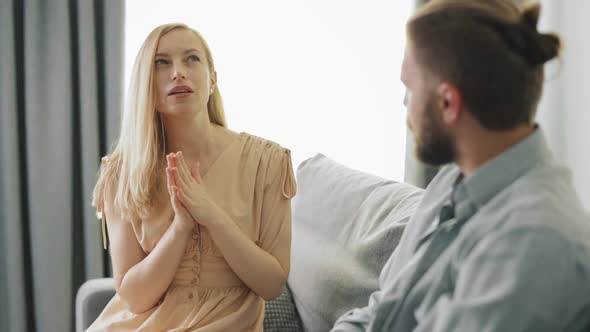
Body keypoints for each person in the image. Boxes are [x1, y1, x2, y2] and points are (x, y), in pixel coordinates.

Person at [332, 1, 590, 331]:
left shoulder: (534, 241)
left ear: (448, 103)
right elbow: (381, 311)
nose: (404, 104)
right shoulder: (453, 180)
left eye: (409, 89)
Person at [86, 23, 296, 331]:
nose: (178, 72)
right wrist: (180, 228)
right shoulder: (121, 172)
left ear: (212, 80)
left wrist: (212, 216)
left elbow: (271, 284)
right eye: (162, 62)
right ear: (146, 85)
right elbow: (134, 298)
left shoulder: (268, 162)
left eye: (192, 59)